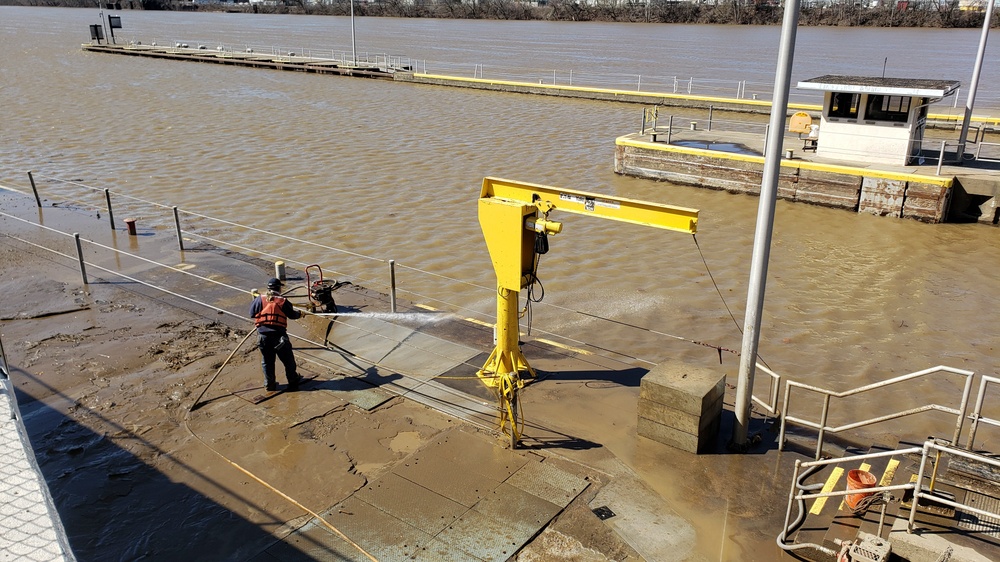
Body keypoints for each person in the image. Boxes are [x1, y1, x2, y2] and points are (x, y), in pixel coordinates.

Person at [249, 277, 303, 391]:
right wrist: (300, 314)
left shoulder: (259, 299)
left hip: (263, 338)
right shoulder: (283, 301)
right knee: (288, 361)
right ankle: (293, 380)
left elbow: (252, 313)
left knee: (267, 362)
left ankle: (270, 384)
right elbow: (293, 315)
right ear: (279, 288)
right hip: (279, 338)